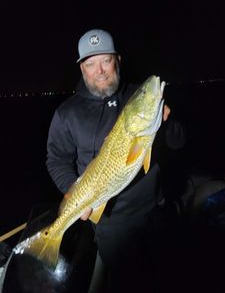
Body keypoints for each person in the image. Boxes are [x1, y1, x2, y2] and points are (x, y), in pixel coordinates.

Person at [46, 29, 186, 292]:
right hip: (113, 225)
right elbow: (56, 159)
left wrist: (168, 126)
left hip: (157, 207)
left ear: (118, 60)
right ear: (81, 69)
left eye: (106, 61)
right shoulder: (67, 114)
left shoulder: (137, 97)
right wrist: (73, 190)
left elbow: (177, 145)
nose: (99, 71)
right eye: (90, 63)